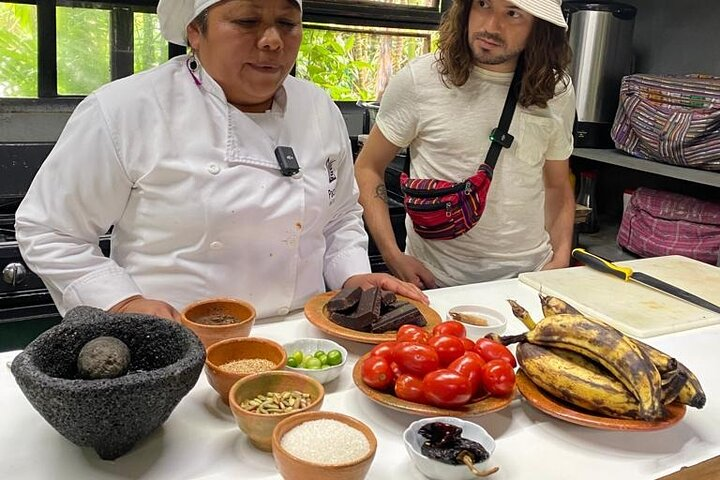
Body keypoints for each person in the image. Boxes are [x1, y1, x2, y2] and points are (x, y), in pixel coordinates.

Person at [15, 0, 427, 322]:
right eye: (247, 21)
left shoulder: (316, 107)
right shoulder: (127, 109)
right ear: (195, 31)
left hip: (303, 337)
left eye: (287, 23)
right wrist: (122, 302)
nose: (272, 41)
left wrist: (353, 278)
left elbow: (338, 219)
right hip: (178, 346)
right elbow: (50, 230)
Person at [355, 0, 576, 289]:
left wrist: (559, 259)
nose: (490, 26)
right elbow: (368, 167)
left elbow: (557, 185)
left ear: (539, 27)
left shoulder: (556, 90)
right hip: (435, 284)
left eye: (512, 13)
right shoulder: (421, 79)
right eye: (483, 4)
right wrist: (392, 255)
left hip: (528, 280)